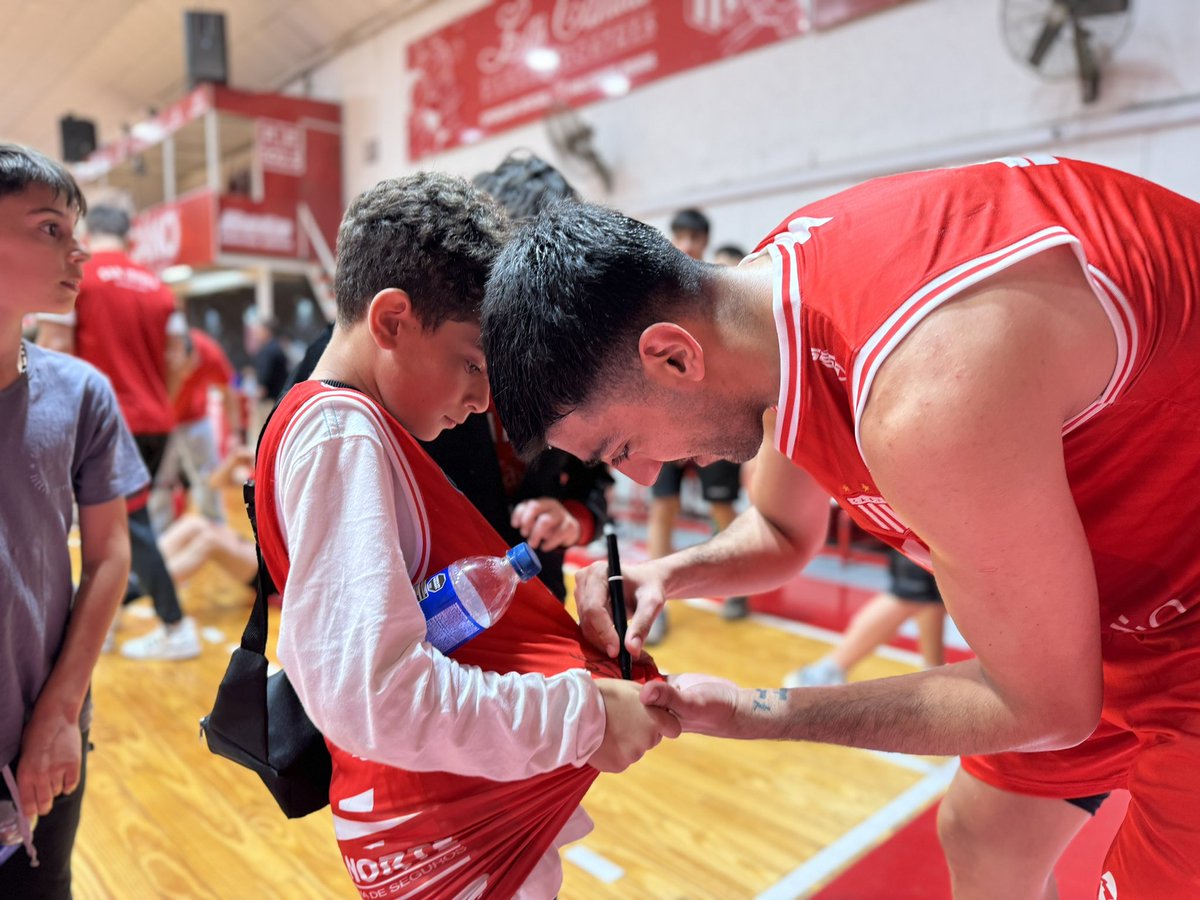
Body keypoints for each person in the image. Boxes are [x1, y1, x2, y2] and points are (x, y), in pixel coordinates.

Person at [481, 155, 1200, 897]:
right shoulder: (765, 317)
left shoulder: (925, 392)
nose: (644, 477)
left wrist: (758, 712)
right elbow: (784, 535)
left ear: (672, 356)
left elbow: (1044, 708)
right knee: (985, 842)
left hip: (1176, 630)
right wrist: (668, 573)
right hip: (1116, 618)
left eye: (622, 448)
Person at [257, 172, 678, 898]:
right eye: (475, 365)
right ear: (391, 321)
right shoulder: (340, 432)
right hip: (436, 821)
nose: (485, 398)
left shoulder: (355, 426)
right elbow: (376, 693)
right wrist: (580, 715)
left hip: (448, 805)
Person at [285, 152, 611, 600]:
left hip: (535, 600)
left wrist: (575, 516)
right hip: (438, 620)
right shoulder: (349, 369)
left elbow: (594, 463)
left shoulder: (555, 344)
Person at [0, 144, 148, 895]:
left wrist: (60, 713)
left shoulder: (81, 393)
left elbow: (111, 555)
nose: (78, 251)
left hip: (43, 730)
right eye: (50, 229)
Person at [36, 202, 199, 661]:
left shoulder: (78, 274)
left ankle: (175, 623)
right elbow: (177, 360)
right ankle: (104, 623)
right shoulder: (160, 289)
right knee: (115, 525)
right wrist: (157, 404)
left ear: (88, 232)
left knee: (129, 526)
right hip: (154, 421)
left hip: (104, 420)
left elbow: (56, 346)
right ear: (131, 237)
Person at [645, 209, 746, 642]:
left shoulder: (720, 288)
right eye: (680, 235)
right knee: (662, 507)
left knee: (721, 507)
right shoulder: (658, 289)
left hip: (711, 417)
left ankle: (739, 585)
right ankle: (655, 601)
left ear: (705, 241)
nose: (686, 243)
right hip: (666, 416)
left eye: (694, 237)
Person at [784, 545, 946, 687]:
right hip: (925, 528)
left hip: (931, 528)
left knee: (933, 596)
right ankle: (822, 673)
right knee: (911, 593)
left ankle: (934, 673)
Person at [148, 327, 239, 533]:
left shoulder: (209, 351)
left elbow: (228, 390)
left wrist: (235, 433)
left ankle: (216, 527)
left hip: (196, 420)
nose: (187, 374)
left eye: (192, 367)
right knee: (161, 480)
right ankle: (160, 535)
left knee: (208, 474)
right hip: (162, 421)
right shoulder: (157, 352)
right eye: (182, 370)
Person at [158, 447, 256, 587]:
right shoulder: (259, 469)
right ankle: (140, 574)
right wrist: (233, 462)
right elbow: (215, 482)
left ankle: (144, 586)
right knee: (192, 523)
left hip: (267, 562)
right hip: (245, 541)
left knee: (209, 541)